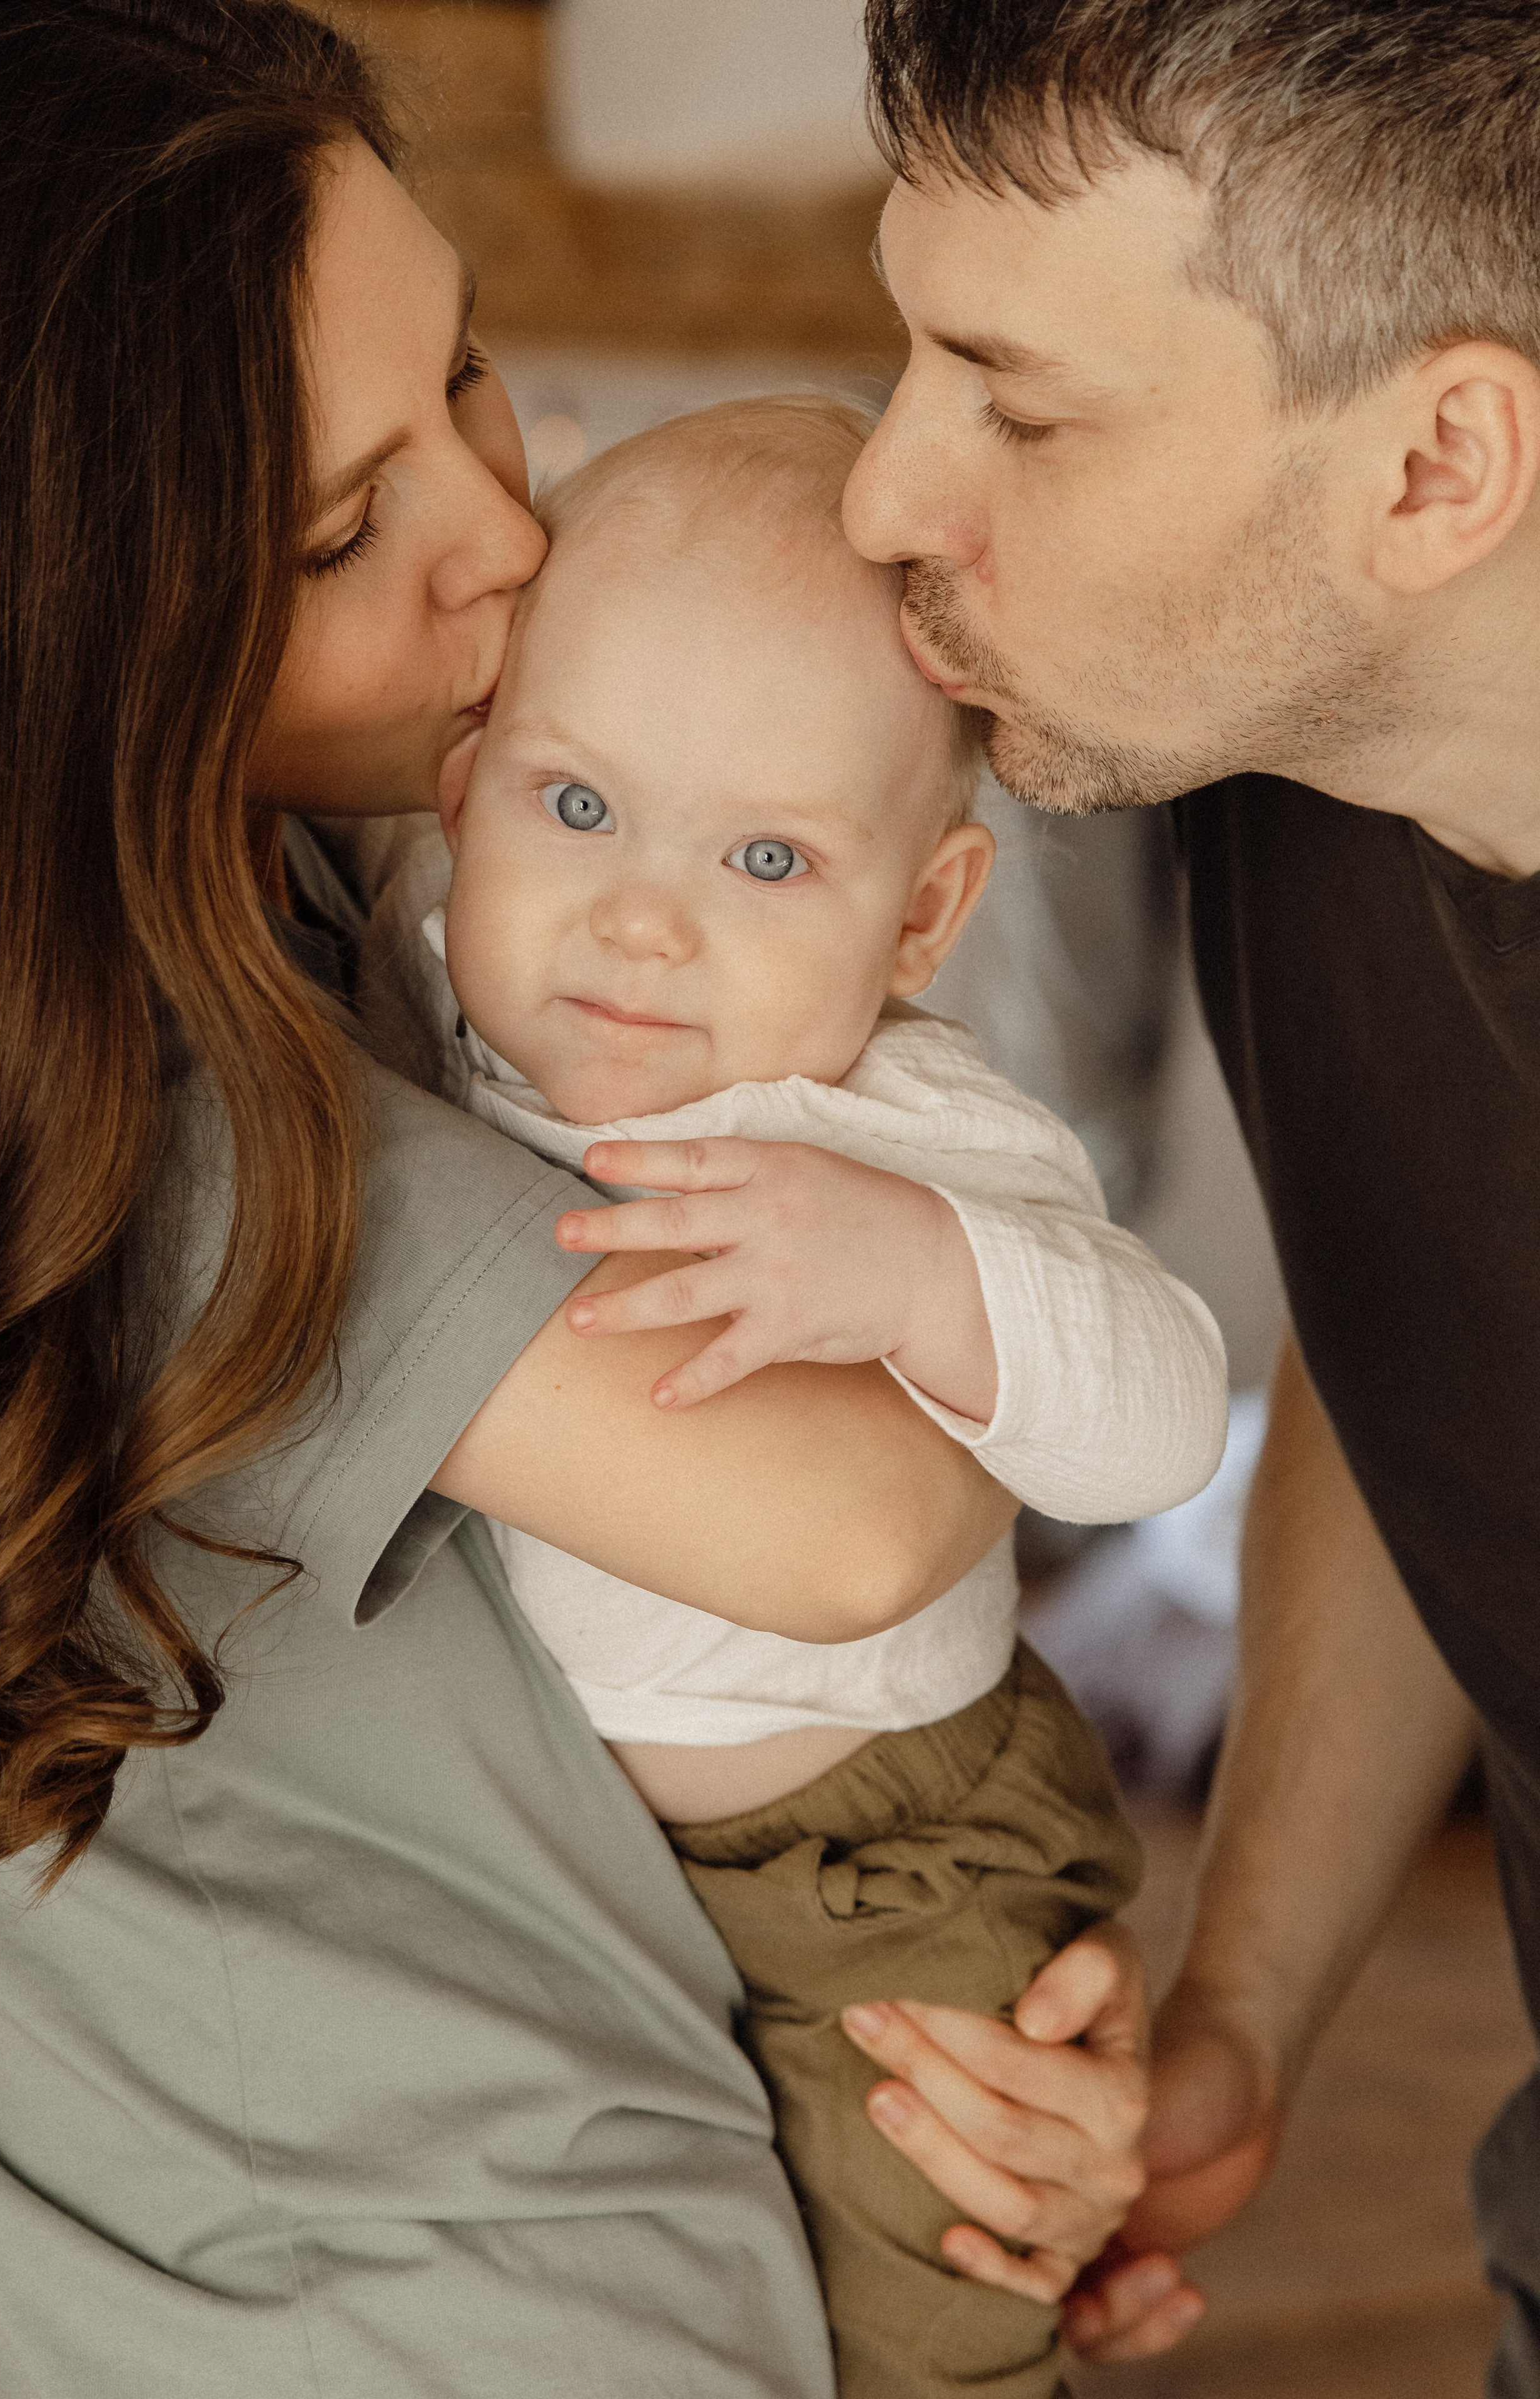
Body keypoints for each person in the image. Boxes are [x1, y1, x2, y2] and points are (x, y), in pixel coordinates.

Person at [0, 5, 1151, 2392]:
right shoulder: (145, 1112)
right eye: (339, 526)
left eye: (469, 372)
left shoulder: (301, 897)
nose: (508, 529)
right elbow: (859, 1536)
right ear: (83, 641)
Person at [364, 391, 1228, 2399]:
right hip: (550, 1863)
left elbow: (1167, 1424)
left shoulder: (907, 1127)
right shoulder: (408, 1034)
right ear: (465, 784)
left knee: (936, 2277)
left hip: (874, 1854)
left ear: (920, 919)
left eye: (768, 856)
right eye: (577, 807)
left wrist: (922, 1280)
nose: (645, 918)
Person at [843, 0, 1540, 2386]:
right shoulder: (1286, 744)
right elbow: (1446, 1338)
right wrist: (1238, 2010)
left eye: (1020, 405)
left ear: (1440, 462)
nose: (887, 494)